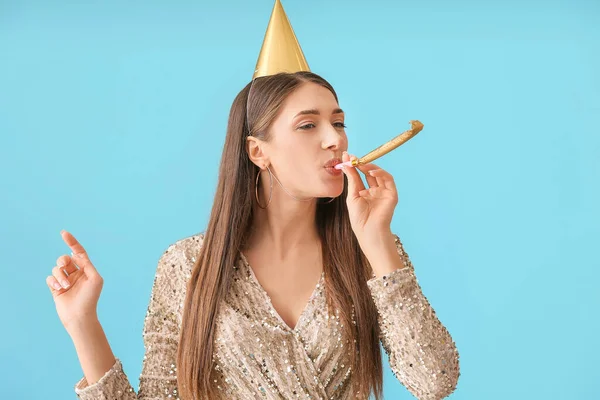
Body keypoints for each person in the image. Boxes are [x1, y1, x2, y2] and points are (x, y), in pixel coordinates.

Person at [46, 1, 460, 399]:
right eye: (307, 125)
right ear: (257, 151)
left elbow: (435, 381)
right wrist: (83, 323)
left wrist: (377, 241)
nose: (334, 139)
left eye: (338, 122)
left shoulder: (371, 253)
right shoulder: (186, 266)